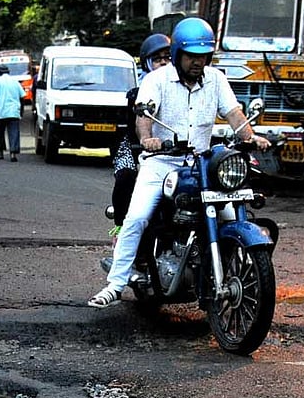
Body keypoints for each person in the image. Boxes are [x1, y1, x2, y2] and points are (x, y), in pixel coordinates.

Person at [88, 17, 270, 308]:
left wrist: (250, 135)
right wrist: (148, 139)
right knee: (137, 217)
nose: (198, 63)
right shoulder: (156, 80)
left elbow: (234, 113)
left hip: (201, 163)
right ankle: (115, 284)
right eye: (191, 57)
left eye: (203, 56)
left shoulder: (216, 79)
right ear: (178, 55)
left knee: (232, 215)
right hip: (160, 162)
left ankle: (226, 274)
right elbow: (143, 116)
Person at [109, 33, 172, 245]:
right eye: (157, 58)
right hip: (134, 146)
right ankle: (121, 227)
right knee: (127, 176)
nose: (163, 62)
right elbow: (138, 126)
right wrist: (145, 143)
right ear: (146, 62)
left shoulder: (181, 88)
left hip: (172, 149)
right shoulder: (138, 92)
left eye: (167, 57)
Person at [0, 65, 27, 162]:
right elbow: (22, 97)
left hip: (1, 112)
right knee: (14, 132)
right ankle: (13, 154)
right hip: (14, 111)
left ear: (0, 72)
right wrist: (21, 111)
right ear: (9, 72)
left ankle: (1, 152)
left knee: (0, 132)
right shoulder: (15, 82)